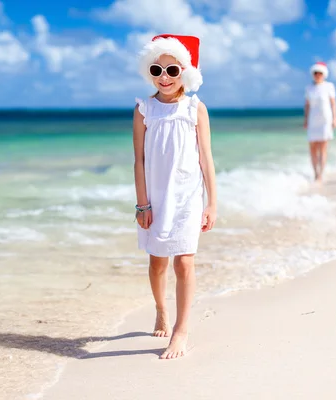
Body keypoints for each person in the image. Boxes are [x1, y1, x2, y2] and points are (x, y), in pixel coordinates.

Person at [133, 34, 217, 360]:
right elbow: (138, 159)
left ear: (186, 71)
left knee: (184, 261)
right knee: (157, 264)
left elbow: (206, 158)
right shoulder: (144, 110)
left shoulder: (196, 108)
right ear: (149, 72)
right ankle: (160, 309)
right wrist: (142, 203)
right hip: (154, 198)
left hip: (188, 196)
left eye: (172, 69)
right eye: (157, 69)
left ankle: (181, 331)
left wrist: (212, 203)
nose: (164, 77)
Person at [303, 62, 336, 183]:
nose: (318, 75)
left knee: (323, 147)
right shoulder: (309, 88)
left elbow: (333, 103)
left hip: (325, 120)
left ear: (324, 74)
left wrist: (335, 118)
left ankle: (321, 174)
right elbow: (307, 105)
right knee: (312, 147)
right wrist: (306, 120)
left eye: (320, 73)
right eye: (315, 73)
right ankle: (315, 173)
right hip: (313, 120)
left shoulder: (329, 86)